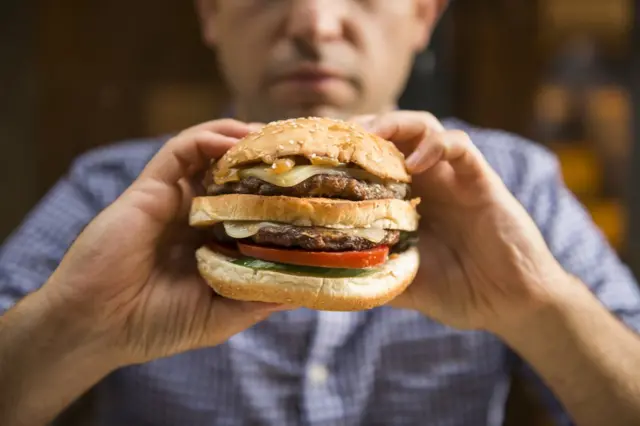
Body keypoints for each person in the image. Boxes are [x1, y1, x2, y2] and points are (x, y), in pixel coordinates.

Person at [1, 0, 640, 425]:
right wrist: (79, 321)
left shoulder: (515, 182)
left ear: (423, 17)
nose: (315, 23)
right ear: (212, 13)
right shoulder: (109, 190)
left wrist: (538, 306)